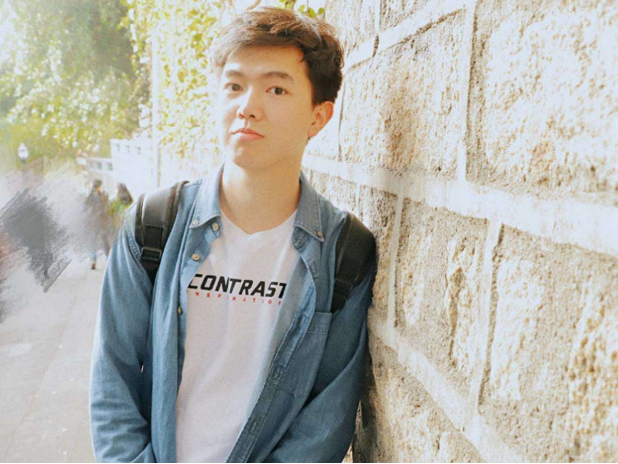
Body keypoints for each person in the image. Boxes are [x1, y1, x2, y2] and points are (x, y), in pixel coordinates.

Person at [89, 6, 378, 463]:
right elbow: (112, 379)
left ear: (318, 117)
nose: (247, 107)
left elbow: (325, 421)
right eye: (234, 86)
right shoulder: (153, 225)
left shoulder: (345, 253)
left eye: (276, 88)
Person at [85, 179, 112, 270]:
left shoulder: (89, 197)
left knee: (93, 241)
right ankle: (108, 260)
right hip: (101, 222)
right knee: (105, 242)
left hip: (93, 222)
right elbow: (108, 208)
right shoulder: (104, 196)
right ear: (99, 186)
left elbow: (86, 210)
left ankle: (93, 260)